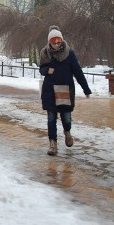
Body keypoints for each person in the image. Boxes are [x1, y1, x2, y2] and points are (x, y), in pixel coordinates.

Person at [39, 26, 91, 156]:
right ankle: (53, 144)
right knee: (51, 119)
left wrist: (86, 89)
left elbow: (78, 72)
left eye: (59, 40)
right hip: (50, 91)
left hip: (65, 90)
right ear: (50, 42)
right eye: (54, 41)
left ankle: (67, 132)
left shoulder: (69, 54)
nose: (57, 43)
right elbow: (41, 68)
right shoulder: (44, 53)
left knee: (66, 117)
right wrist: (46, 71)